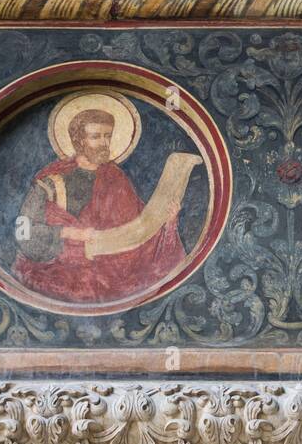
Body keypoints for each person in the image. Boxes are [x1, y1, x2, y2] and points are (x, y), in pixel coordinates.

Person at [14, 108, 185, 302]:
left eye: (108, 136)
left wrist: (167, 222)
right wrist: (68, 233)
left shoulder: (116, 178)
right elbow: (25, 233)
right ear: (79, 141)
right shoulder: (51, 181)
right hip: (60, 272)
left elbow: (140, 230)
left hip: (114, 272)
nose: (104, 143)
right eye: (96, 136)